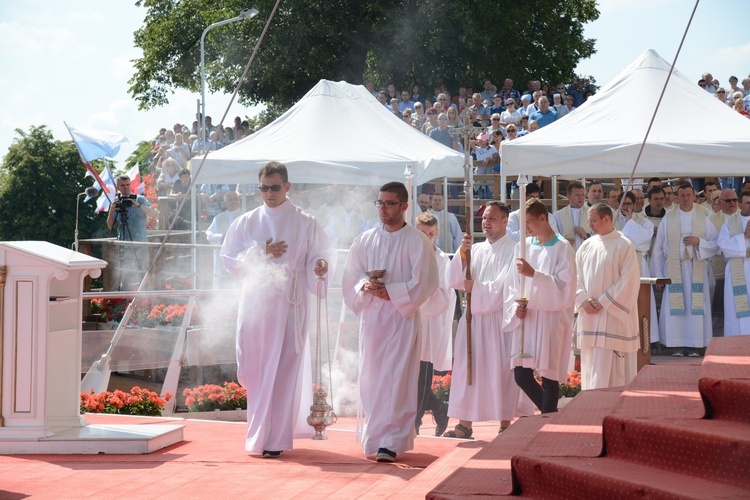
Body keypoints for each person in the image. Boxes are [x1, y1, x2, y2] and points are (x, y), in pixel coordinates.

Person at [220, 161, 335, 458]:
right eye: (263, 188)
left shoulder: (305, 221)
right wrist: (261, 253)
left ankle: (277, 440)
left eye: (274, 187)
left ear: (287, 186)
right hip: (258, 303)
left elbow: (321, 255)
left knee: (285, 369)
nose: (268, 194)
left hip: (292, 304)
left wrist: (319, 265)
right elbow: (228, 258)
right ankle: (257, 435)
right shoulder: (247, 221)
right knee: (257, 368)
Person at [343, 181, 438, 463]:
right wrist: (365, 286)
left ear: (404, 206)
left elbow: (426, 281)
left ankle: (392, 441)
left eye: (389, 203)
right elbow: (352, 276)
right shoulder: (365, 240)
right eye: (380, 203)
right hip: (373, 317)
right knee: (371, 378)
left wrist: (392, 292)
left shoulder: (416, 240)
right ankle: (374, 436)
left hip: (400, 317)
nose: (383, 209)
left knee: (397, 379)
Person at [443, 201, 524, 439]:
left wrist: (476, 288)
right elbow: (455, 280)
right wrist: (462, 253)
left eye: (492, 218)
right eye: (484, 219)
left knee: (501, 372)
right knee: (469, 370)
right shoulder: (475, 249)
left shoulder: (514, 249)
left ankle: (506, 423)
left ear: (506, 221)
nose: (486, 223)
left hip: (499, 320)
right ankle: (464, 424)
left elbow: (506, 285)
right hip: (474, 319)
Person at [508, 199, 576, 414]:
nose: (525, 228)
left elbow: (565, 287)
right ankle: (551, 415)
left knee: (549, 375)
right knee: (521, 374)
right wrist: (515, 306)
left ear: (542, 218)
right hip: (528, 317)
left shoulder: (562, 247)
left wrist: (534, 275)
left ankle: (548, 423)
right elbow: (512, 283)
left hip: (550, 318)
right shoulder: (524, 246)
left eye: (528, 222)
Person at [577, 203, 641, 390]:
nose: (590, 226)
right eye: (589, 221)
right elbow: (575, 275)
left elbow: (629, 280)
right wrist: (582, 299)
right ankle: (590, 407)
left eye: (593, 221)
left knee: (614, 372)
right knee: (592, 366)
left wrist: (603, 301)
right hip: (590, 316)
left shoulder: (624, 245)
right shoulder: (587, 245)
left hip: (613, 317)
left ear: (606, 219)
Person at [651, 183, 718, 357]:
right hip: (675, 269)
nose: (686, 198)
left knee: (696, 307)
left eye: (689, 194)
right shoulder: (669, 218)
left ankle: (696, 345)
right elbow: (658, 249)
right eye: (682, 195)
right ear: (676, 197)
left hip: (696, 268)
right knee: (676, 308)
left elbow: (716, 243)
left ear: (694, 196)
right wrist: (658, 276)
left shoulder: (704, 217)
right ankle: (677, 344)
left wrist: (699, 242)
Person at [414, 212, 452, 437]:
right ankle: (439, 407)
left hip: (429, 321)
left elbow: (443, 295)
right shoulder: (410, 252)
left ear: (436, 234)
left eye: (430, 234)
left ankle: (415, 423)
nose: (426, 237)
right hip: (409, 318)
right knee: (410, 377)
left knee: (422, 376)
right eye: (422, 233)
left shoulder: (441, 260)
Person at [107, 174, 159, 288]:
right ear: (118, 187)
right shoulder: (117, 203)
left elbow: (155, 214)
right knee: (126, 275)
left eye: (128, 185)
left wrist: (138, 205)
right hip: (124, 245)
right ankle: (125, 299)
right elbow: (110, 226)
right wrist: (111, 210)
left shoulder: (139, 199)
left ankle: (146, 299)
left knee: (143, 272)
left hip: (140, 243)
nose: (126, 188)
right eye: (122, 185)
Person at [717, 190, 750, 336]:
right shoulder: (729, 224)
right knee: (735, 306)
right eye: (748, 203)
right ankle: (736, 339)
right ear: (740, 204)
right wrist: (744, 236)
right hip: (737, 270)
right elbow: (723, 245)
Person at [206, 191, 242, 288]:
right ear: (225, 203)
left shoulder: (245, 216)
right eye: (230, 200)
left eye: (235, 199)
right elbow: (209, 234)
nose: (234, 201)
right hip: (221, 253)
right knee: (221, 279)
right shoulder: (218, 218)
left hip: (239, 253)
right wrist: (221, 237)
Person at [553, 181, 589, 250]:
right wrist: (563, 241)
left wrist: (586, 235)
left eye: (582, 195)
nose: (581, 198)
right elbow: (553, 237)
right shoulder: (558, 215)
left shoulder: (591, 213)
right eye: (577, 195)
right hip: (567, 255)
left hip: (586, 255)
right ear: (568, 197)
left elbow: (599, 236)